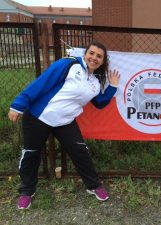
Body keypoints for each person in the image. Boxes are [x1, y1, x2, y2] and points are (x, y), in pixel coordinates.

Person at [8, 42, 120, 209]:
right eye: (92, 53)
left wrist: (113, 86)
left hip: (65, 121)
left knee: (80, 152)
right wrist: (18, 104)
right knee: (31, 154)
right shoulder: (69, 64)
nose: (94, 58)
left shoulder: (95, 83)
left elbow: (100, 103)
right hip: (39, 117)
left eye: (99, 56)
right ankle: (26, 192)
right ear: (85, 54)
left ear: (103, 61)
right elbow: (42, 83)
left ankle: (93, 186)